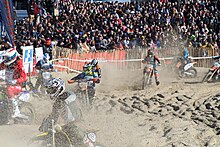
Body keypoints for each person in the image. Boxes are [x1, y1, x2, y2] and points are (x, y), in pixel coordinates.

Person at [0, 47, 26, 119]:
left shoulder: (19, 64)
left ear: (12, 57)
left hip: (18, 85)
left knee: (9, 89)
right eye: (5, 58)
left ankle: (16, 111)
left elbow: (23, 77)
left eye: (7, 58)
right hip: (7, 83)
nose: (5, 59)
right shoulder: (6, 63)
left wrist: (14, 81)